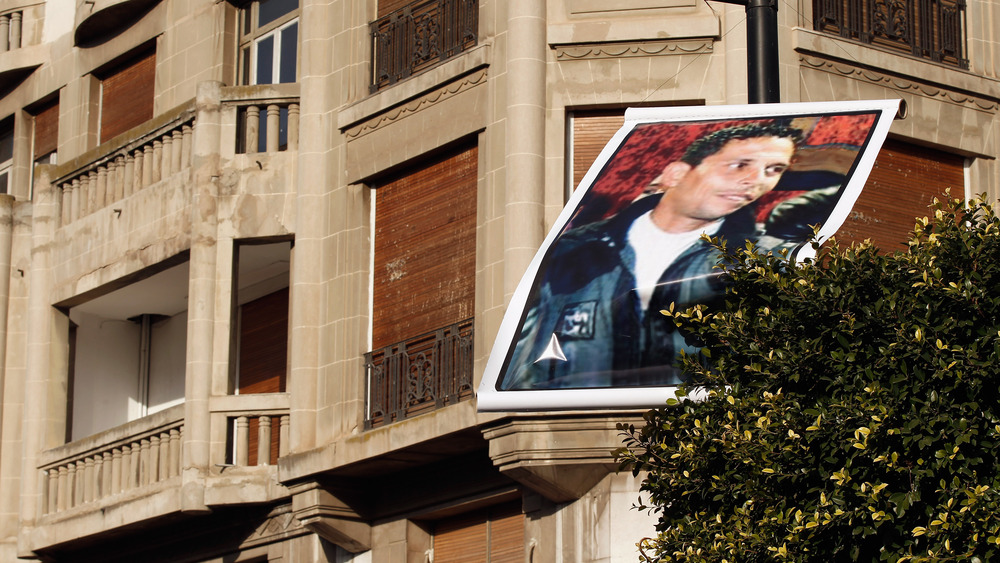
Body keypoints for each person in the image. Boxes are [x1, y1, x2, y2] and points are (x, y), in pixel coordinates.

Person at [499, 122, 804, 390]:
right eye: (740, 165)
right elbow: (527, 356)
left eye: (773, 170)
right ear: (675, 174)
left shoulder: (769, 258)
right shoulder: (576, 247)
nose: (757, 180)